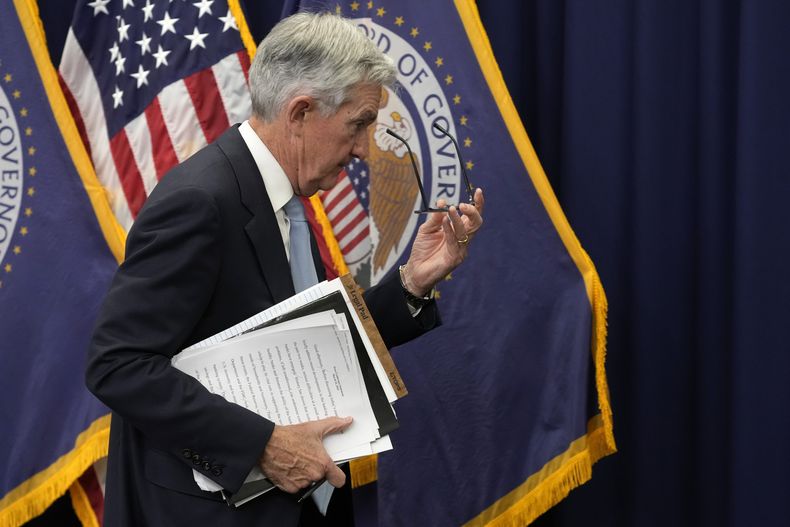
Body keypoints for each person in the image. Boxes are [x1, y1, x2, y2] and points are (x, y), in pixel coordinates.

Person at [86, 12, 484, 527]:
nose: (364, 149)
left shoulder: (285, 197)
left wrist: (412, 282)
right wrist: (265, 444)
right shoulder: (200, 202)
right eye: (359, 124)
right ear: (300, 112)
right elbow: (118, 365)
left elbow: (310, 344)